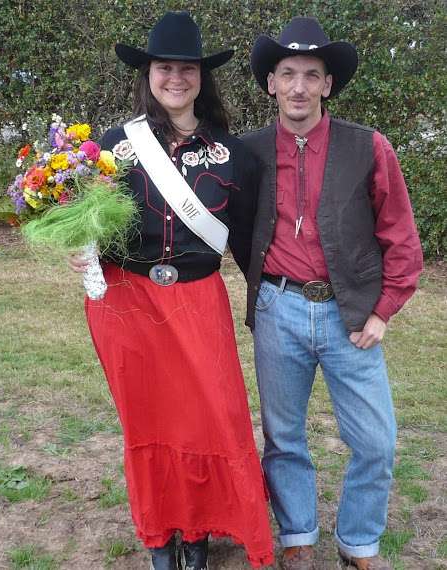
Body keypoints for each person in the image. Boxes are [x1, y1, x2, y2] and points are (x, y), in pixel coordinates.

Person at [66, 11, 275, 570]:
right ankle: (160, 535)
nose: (175, 78)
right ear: (148, 74)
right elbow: (92, 228)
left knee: (210, 419)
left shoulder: (235, 156)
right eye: (165, 67)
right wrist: (76, 244)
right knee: (149, 422)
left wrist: (275, 300)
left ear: (202, 77)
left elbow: (249, 244)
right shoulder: (114, 146)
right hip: (127, 304)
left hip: (198, 303)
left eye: (187, 68)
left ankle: (199, 532)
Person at [240, 16, 423, 570]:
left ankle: (358, 543)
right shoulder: (245, 152)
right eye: (288, 73)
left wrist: (384, 310)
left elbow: (402, 237)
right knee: (284, 438)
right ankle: (297, 535)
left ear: (327, 85)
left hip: (352, 316)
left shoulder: (368, 147)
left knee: (376, 442)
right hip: (277, 307)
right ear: (271, 82)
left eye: (311, 75)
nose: (299, 86)